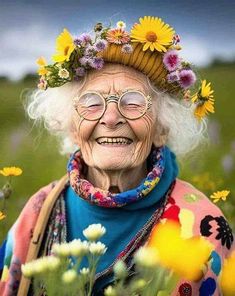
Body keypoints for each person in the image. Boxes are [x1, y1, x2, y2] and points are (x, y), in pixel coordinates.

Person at [0, 16, 234, 296]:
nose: (111, 118)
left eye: (133, 101)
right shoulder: (39, 212)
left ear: (162, 127)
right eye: (91, 102)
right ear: (72, 127)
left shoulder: (203, 225)